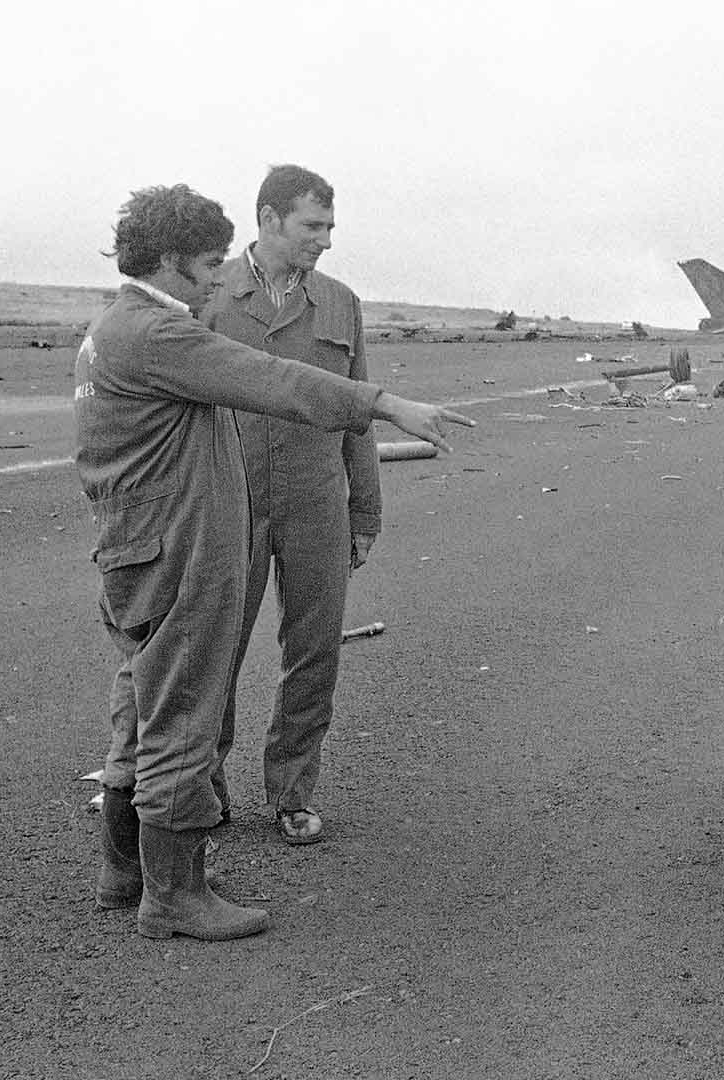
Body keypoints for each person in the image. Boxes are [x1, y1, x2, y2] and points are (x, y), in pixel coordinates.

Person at [75, 183, 473, 941]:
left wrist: (361, 503)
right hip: (178, 550)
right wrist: (386, 403)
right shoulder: (158, 332)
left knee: (146, 701)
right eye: (200, 268)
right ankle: (176, 895)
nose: (208, 283)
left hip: (139, 542)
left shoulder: (110, 328)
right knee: (185, 712)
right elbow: (274, 381)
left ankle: (126, 870)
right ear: (165, 262)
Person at [200, 165, 370, 847]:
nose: (326, 240)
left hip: (316, 502)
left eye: (330, 226)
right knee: (215, 650)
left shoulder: (340, 303)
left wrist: (366, 514)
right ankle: (202, 785)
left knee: (314, 650)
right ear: (269, 220)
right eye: (312, 226)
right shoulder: (209, 298)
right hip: (228, 502)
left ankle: (293, 792)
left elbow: (357, 409)